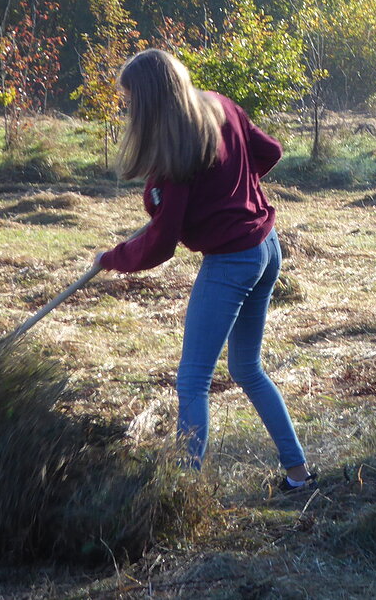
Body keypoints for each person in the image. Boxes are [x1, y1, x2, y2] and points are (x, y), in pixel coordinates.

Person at [96, 48, 314, 491]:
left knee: (193, 379)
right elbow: (269, 152)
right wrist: (234, 188)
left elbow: (161, 242)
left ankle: (183, 490)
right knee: (247, 368)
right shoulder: (221, 105)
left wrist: (112, 258)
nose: (129, 109)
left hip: (233, 261)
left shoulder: (176, 156)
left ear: (150, 99)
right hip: (266, 247)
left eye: (131, 100)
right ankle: (297, 474)